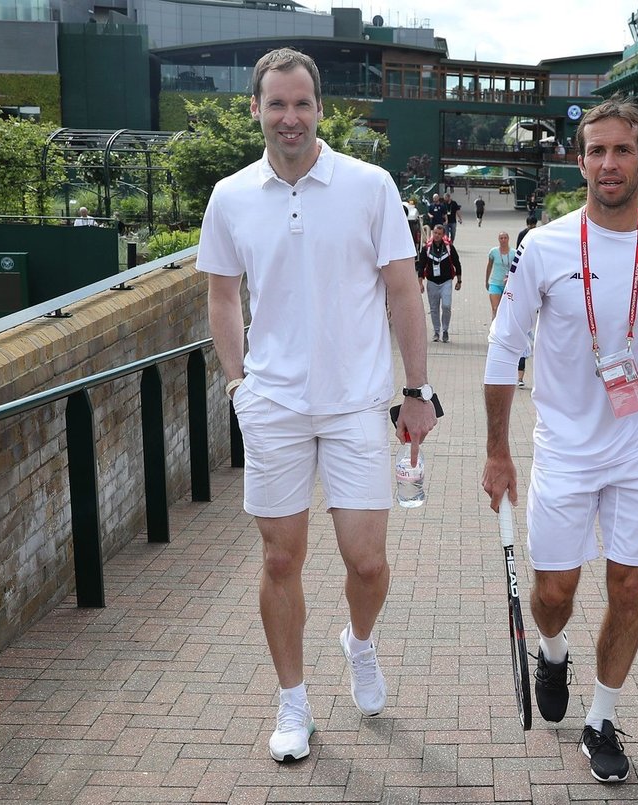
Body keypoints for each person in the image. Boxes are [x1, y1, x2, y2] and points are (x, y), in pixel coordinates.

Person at [482, 98, 638, 784]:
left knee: (628, 586)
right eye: (596, 151)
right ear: (579, 160)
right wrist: (498, 450)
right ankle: (554, 647)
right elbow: (503, 347)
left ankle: (600, 718)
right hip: (563, 448)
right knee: (554, 590)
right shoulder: (545, 246)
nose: (609, 163)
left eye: (622, 150)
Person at [196, 47, 437, 764]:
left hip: (357, 402)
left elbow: (402, 290)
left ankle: (358, 643)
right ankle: (293, 704)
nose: (290, 117)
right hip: (274, 405)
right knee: (280, 559)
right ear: (256, 109)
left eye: (303, 104)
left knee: (366, 562)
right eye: (277, 104)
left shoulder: (369, 187)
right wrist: (239, 383)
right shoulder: (231, 196)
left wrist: (417, 391)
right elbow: (221, 295)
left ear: (320, 109)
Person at [417, 223, 462, 343]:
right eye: (435, 233)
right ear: (432, 232)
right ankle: (437, 331)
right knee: (434, 308)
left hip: (446, 281)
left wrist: (459, 280)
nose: (436, 235)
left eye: (439, 234)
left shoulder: (448, 247)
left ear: (443, 235)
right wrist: (420, 283)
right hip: (432, 282)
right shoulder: (427, 248)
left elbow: (457, 263)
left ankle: (445, 330)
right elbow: (421, 266)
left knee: (446, 306)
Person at [485, 231, 514, 319]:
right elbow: (489, 266)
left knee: (506, 310)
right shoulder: (493, 252)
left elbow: (517, 270)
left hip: (509, 285)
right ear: (499, 240)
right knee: (495, 308)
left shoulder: (514, 253)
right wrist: (486, 281)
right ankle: (494, 329)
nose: (503, 240)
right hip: (495, 283)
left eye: (505, 238)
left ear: (508, 239)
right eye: (501, 238)